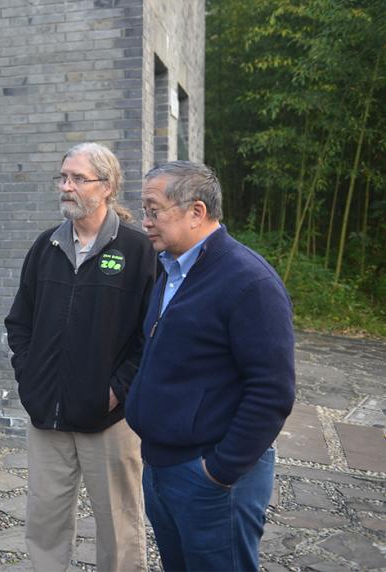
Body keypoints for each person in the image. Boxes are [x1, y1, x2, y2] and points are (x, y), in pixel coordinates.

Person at [125, 161, 295, 571]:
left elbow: (272, 390)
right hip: (162, 466)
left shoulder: (249, 282)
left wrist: (220, 470)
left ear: (196, 212)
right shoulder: (171, 269)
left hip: (211, 479)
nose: (145, 221)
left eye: (154, 209)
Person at [5, 142, 155, 571]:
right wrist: (31, 377)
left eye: (77, 179)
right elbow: (20, 323)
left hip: (108, 420)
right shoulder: (45, 247)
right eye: (63, 177)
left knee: (119, 530)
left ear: (106, 187)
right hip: (47, 418)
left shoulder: (137, 251)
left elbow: (153, 335)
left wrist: (117, 391)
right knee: (45, 526)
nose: (66, 186)